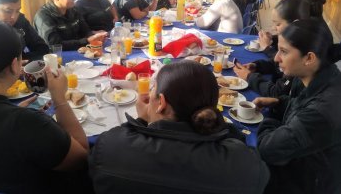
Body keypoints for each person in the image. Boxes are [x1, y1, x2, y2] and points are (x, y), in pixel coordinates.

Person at [89, 60, 269, 194]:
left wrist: (143, 121)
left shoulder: (110, 147)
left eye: (153, 88)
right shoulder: (244, 164)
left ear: (161, 102)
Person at [0, 19, 91, 193]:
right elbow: (81, 157)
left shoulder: (20, 121)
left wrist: (13, 114)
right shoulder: (26, 124)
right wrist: (60, 99)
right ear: (15, 65)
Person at [255, 19, 341, 194]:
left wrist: (270, 118)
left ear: (309, 58)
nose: (277, 58)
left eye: (284, 52)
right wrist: (280, 103)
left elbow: (267, 149)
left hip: (306, 181)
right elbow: (300, 104)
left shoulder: (323, 109)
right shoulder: (314, 76)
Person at [234, 0, 315, 97]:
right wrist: (257, 66)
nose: (273, 29)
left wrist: (250, 77)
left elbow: (277, 92)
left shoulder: (300, 57)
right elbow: (277, 65)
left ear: (295, 24)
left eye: (278, 24)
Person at [34, 0, 107, 50]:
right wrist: (87, 41)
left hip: (77, 51)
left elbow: (85, 31)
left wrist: (95, 37)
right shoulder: (43, 16)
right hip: (57, 57)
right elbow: (55, 45)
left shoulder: (73, 9)